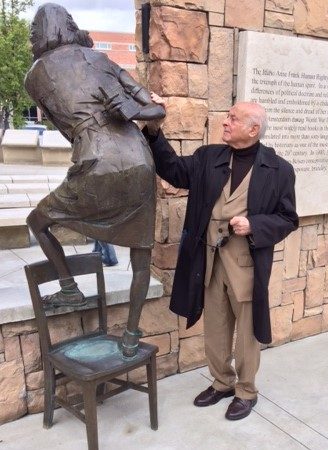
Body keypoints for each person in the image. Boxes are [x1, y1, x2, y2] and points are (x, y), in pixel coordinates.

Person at [141, 94, 299, 420]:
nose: (225, 122)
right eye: (227, 116)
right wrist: (154, 129)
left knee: (247, 332)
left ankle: (246, 391)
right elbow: (172, 170)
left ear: (253, 130)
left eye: (233, 118)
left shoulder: (279, 170)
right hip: (209, 260)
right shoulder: (208, 157)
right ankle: (221, 382)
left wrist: (254, 224)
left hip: (246, 263)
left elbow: (288, 219)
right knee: (215, 326)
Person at [24, 3, 165, 357]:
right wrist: (130, 111)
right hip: (139, 157)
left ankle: (69, 287)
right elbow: (154, 109)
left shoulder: (36, 75)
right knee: (141, 252)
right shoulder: (101, 60)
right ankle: (131, 334)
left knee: (38, 222)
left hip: (97, 157)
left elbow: (65, 128)